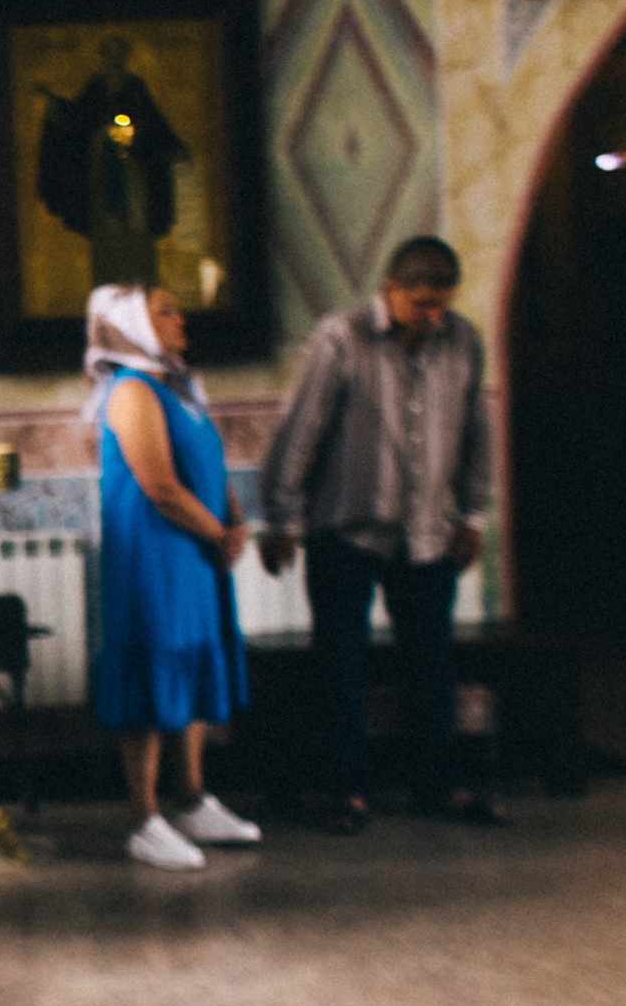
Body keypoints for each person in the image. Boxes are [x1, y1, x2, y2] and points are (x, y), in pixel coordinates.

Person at [260, 235, 495, 834]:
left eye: (443, 304)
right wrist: (283, 520)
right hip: (345, 528)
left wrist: (473, 516)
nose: (435, 317)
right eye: (423, 304)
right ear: (391, 290)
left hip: (425, 534)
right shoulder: (340, 339)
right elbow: (300, 430)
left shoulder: (462, 340)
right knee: (340, 665)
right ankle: (346, 791)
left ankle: (435, 785)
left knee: (430, 663)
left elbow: (476, 431)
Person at [83, 284, 260, 871]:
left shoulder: (177, 385)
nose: (181, 318)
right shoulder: (131, 392)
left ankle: (191, 798)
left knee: (190, 657)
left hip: (195, 543)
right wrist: (215, 532)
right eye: (165, 311)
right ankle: (144, 817)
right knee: (152, 664)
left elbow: (208, 461)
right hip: (154, 551)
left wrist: (232, 520)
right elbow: (158, 484)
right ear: (132, 324)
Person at [36, 34, 188, 289]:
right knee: (107, 223)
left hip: (133, 162)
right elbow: (78, 117)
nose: (114, 58)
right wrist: (54, 103)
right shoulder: (96, 86)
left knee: (136, 220)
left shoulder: (135, 86)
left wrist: (172, 146)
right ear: (105, 57)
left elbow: (153, 121)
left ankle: (141, 283)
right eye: (110, 53)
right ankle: (109, 284)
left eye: (119, 53)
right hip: (102, 162)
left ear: (125, 57)